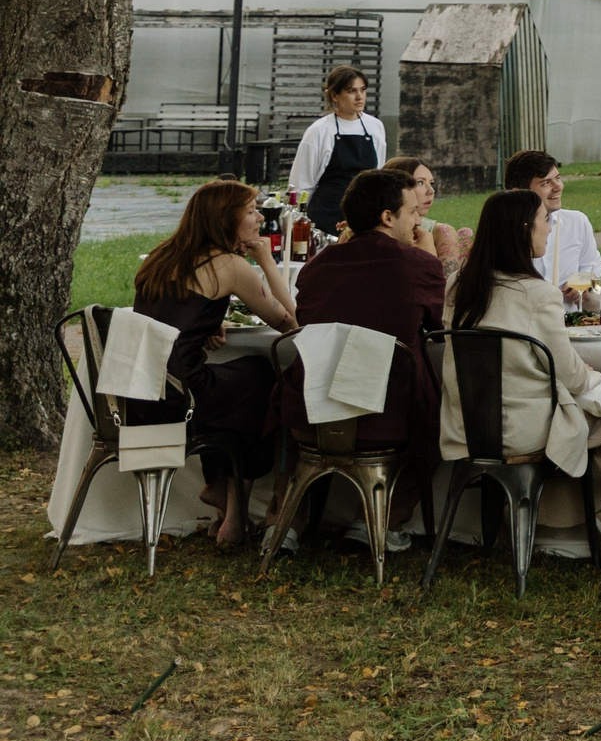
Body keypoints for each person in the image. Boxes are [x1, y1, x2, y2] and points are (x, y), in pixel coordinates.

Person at [441, 190, 601, 541]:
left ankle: (553, 521)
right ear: (524, 229)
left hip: (465, 425)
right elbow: (571, 375)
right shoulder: (537, 294)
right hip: (521, 431)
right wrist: (596, 377)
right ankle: (584, 523)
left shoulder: (459, 285)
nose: (549, 229)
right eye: (545, 220)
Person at [127, 180, 297, 544]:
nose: (258, 219)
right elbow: (289, 322)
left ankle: (224, 497)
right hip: (179, 398)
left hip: (136, 392)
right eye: (251, 212)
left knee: (241, 389)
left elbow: (169, 316)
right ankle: (233, 504)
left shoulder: (162, 257)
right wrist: (266, 261)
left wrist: (203, 323)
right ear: (226, 219)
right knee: (261, 378)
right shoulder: (229, 264)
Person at [287, 167, 449, 536]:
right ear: (388, 217)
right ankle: (384, 521)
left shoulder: (316, 267)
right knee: (443, 425)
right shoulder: (419, 265)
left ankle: (284, 523)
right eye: (412, 212)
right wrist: (430, 260)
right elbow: (436, 332)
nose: (417, 220)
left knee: (289, 410)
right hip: (386, 414)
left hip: (311, 412)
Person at [287, 65, 386, 237]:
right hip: (327, 214)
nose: (359, 96)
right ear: (334, 95)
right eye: (351, 91)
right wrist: (296, 223)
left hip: (364, 214)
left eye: (362, 90)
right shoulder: (319, 130)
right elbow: (302, 183)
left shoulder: (375, 126)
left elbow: (380, 175)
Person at [504, 150, 601, 293]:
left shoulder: (576, 222)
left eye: (557, 178)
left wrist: (583, 282)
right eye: (545, 183)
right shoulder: (503, 232)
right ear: (519, 192)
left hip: (569, 313)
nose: (558, 187)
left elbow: (593, 264)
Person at [379, 155, 464, 273]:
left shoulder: (442, 232)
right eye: (420, 182)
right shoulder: (362, 231)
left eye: (431, 183)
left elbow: (448, 289)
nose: (431, 191)